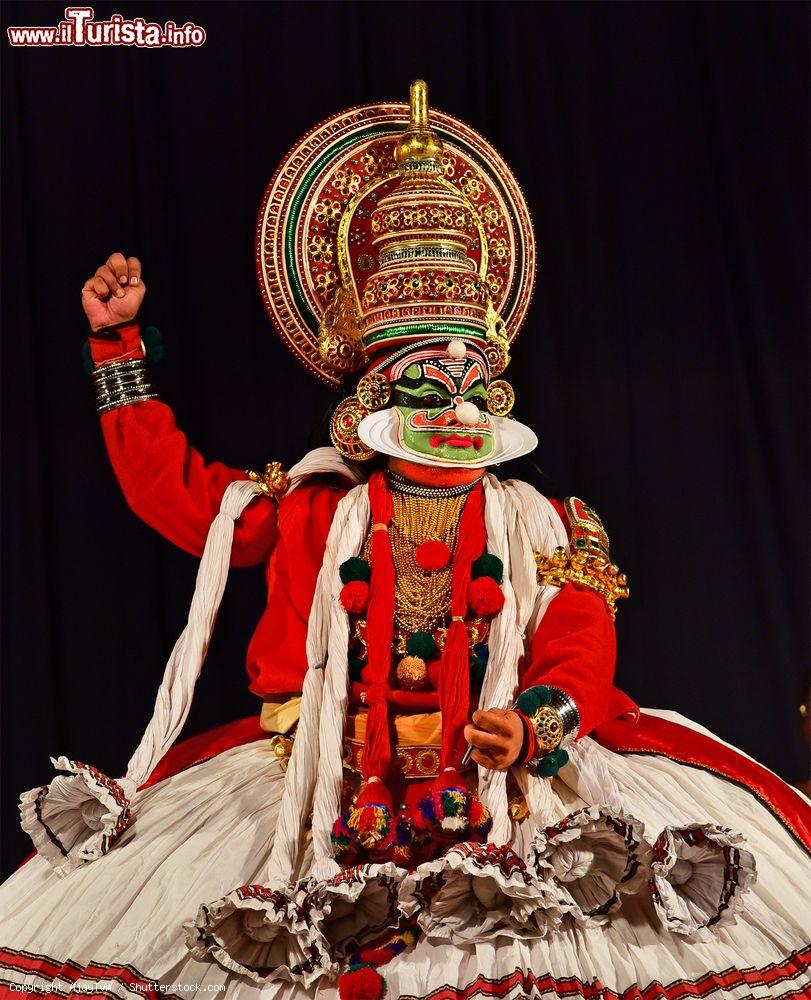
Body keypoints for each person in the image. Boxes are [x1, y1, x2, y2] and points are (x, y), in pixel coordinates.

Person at [1, 82, 809, 1000]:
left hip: (512, 788)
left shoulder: (544, 519)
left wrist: (535, 721)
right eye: (426, 381)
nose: (454, 403)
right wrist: (119, 352)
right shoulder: (312, 507)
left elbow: (581, 637)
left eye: (472, 381)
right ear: (373, 397)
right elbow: (183, 499)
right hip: (316, 788)